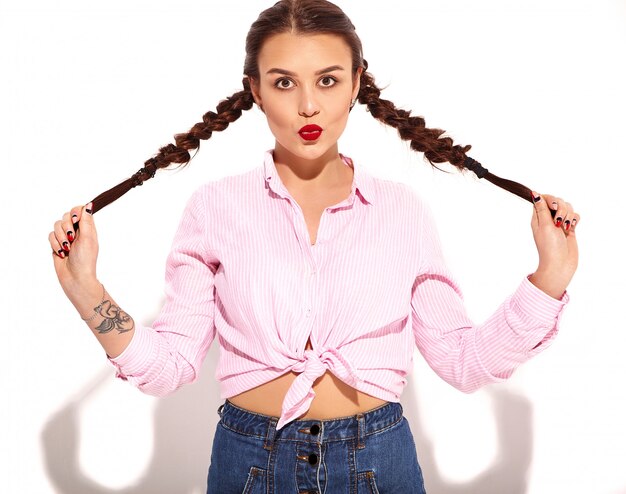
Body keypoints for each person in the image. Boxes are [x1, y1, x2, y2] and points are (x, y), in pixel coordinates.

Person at [48, 1, 579, 492]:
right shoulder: (214, 208)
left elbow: (463, 362)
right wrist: (88, 292)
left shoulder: (401, 211)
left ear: (355, 85)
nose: (308, 105)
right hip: (249, 460)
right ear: (255, 90)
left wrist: (548, 280)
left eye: (327, 80)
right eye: (284, 83)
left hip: (378, 460)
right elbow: (169, 368)